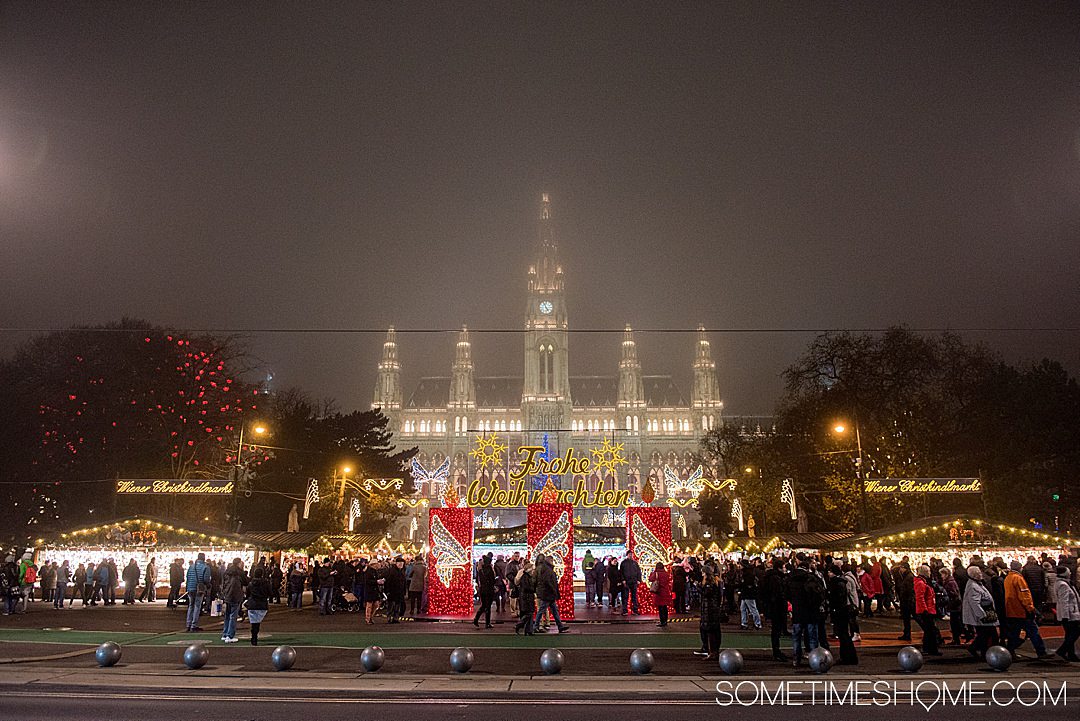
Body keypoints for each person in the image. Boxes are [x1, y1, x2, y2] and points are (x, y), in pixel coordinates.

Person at [1003, 559, 1051, 659]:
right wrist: (1031, 609)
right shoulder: (1019, 579)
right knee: (1033, 631)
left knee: (1015, 633)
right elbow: (1024, 596)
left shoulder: (1008, 578)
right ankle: (1041, 652)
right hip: (1022, 611)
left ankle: (1010, 650)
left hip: (1012, 610)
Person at [786, 555, 823, 667]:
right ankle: (814, 660)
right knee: (812, 637)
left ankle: (796, 659)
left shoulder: (791, 579)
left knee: (796, 637)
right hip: (811, 611)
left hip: (797, 610)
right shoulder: (811, 578)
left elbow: (786, 595)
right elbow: (819, 594)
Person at [962, 565, 999, 659]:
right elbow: (975, 603)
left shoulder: (976, 584)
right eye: (978, 573)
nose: (980, 574)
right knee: (986, 635)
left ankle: (981, 651)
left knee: (985, 635)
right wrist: (982, 615)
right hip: (982, 615)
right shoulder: (974, 586)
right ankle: (982, 651)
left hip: (984, 614)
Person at [828, 563, 857, 664]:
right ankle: (849, 656)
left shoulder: (837, 583)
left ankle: (846, 657)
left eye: (830, 571)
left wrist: (834, 608)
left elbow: (838, 599)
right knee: (844, 635)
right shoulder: (841, 582)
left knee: (843, 635)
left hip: (840, 611)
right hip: (842, 610)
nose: (828, 573)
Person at [533, 554, 570, 633]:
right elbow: (548, 582)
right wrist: (554, 590)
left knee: (552, 610)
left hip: (546, 593)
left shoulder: (543, 568)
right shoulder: (547, 569)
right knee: (544, 610)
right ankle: (536, 626)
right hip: (548, 593)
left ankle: (560, 626)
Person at [761, 557, 788, 661]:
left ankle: (776, 651)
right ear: (779, 568)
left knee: (776, 630)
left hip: (772, 607)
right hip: (777, 607)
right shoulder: (776, 579)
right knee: (776, 630)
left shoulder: (770, 577)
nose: (785, 569)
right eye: (784, 567)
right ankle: (776, 652)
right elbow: (777, 594)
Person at [1051, 566, 1080, 661]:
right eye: (1069, 572)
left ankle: (1071, 654)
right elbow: (1064, 602)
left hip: (1070, 612)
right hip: (1070, 614)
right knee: (1074, 633)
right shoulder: (1063, 585)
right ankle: (1062, 651)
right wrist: (1065, 616)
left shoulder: (1063, 583)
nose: (1071, 573)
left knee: (1069, 634)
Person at [913, 565, 941, 656]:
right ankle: (932, 649)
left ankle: (927, 648)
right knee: (931, 630)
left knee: (929, 630)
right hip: (926, 610)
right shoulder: (921, 583)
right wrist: (925, 610)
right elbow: (920, 597)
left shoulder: (922, 582)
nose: (930, 573)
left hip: (928, 609)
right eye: (928, 571)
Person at [221, 558, 248, 643]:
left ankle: (225, 634)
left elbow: (223, 583)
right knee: (233, 616)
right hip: (235, 595)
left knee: (227, 615)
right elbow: (246, 582)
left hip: (227, 594)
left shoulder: (227, 571)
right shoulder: (239, 572)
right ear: (239, 563)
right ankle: (230, 635)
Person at [699, 569, 724, 659]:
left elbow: (706, 593)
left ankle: (713, 652)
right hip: (711, 609)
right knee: (712, 631)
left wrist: (699, 587)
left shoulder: (710, 583)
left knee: (711, 632)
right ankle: (712, 651)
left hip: (710, 610)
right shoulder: (715, 582)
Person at [185, 553, 211, 632]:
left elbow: (187, 577)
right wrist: (208, 585)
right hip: (199, 589)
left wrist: (188, 588)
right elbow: (206, 579)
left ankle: (188, 624)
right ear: (204, 558)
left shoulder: (191, 566)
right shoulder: (206, 567)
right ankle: (194, 625)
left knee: (191, 606)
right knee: (197, 606)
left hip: (190, 588)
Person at [246, 567, 271, 646]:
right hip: (262, 604)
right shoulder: (266, 583)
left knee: (254, 623)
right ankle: (254, 636)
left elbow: (247, 594)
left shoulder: (251, 583)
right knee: (257, 622)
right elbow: (270, 592)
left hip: (253, 604)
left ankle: (254, 637)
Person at [473, 553, 496, 628]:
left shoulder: (480, 570)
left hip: (482, 589)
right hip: (489, 590)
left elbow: (478, 579)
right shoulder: (490, 570)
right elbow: (492, 580)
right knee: (488, 606)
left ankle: (476, 619)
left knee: (483, 605)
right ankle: (487, 623)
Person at [514, 559, 536, 635]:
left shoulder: (526, 576)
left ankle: (529, 630)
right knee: (528, 614)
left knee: (529, 614)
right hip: (526, 597)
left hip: (527, 597)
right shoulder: (525, 577)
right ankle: (520, 625)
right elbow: (527, 588)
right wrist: (534, 589)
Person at [738, 562, 762, 630]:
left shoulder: (747, 574)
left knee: (751, 609)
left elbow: (747, 584)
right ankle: (744, 623)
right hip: (747, 593)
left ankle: (757, 624)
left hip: (748, 594)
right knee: (744, 608)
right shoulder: (748, 573)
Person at [649, 561, 673, 628]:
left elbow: (650, 579)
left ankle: (662, 621)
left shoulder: (656, 573)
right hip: (665, 591)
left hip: (658, 592)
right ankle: (665, 620)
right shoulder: (666, 573)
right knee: (665, 607)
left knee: (660, 608)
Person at [895, 562, 915, 641]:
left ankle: (907, 634)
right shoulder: (906, 576)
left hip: (908, 601)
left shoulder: (908, 577)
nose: (900, 569)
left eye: (901, 568)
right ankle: (906, 633)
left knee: (911, 618)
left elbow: (908, 590)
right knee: (907, 619)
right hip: (906, 600)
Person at [385, 556, 407, 623]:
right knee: (391, 605)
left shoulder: (402, 571)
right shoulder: (391, 571)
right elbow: (387, 581)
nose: (401, 565)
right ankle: (389, 618)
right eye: (399, 563)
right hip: (392, 591)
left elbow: (404, 582)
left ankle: (395, 618)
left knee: (397, 606)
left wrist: (404, 591)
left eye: (402, 563)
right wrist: (387, 591)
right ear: (396, 563)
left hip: (400, 591)